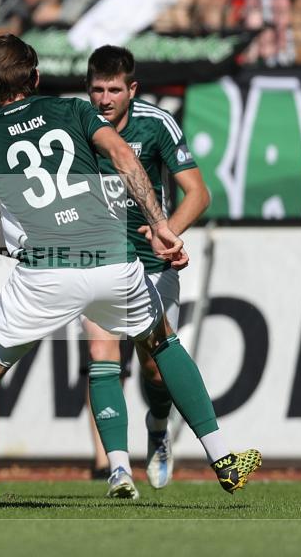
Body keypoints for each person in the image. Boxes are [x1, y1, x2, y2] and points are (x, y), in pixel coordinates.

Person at [0, 34, 260, 512]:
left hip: (45, 273)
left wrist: (31, 247)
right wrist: (160, 225)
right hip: (113, 259)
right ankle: (221, 459)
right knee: (162, 341)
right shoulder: (72, 110)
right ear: (34, 77)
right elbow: (123, 157)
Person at [81, 45, 210, 498]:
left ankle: (158, 427)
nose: (104, 98)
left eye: (114, 89)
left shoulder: (155, 125)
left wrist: (167, 232)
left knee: (156, 371)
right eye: (97, 89)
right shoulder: (77, 126)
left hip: (153, 264)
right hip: (96, 261)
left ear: (131, 89)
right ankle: (118, 468)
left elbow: (197, 193)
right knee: (103, 357)